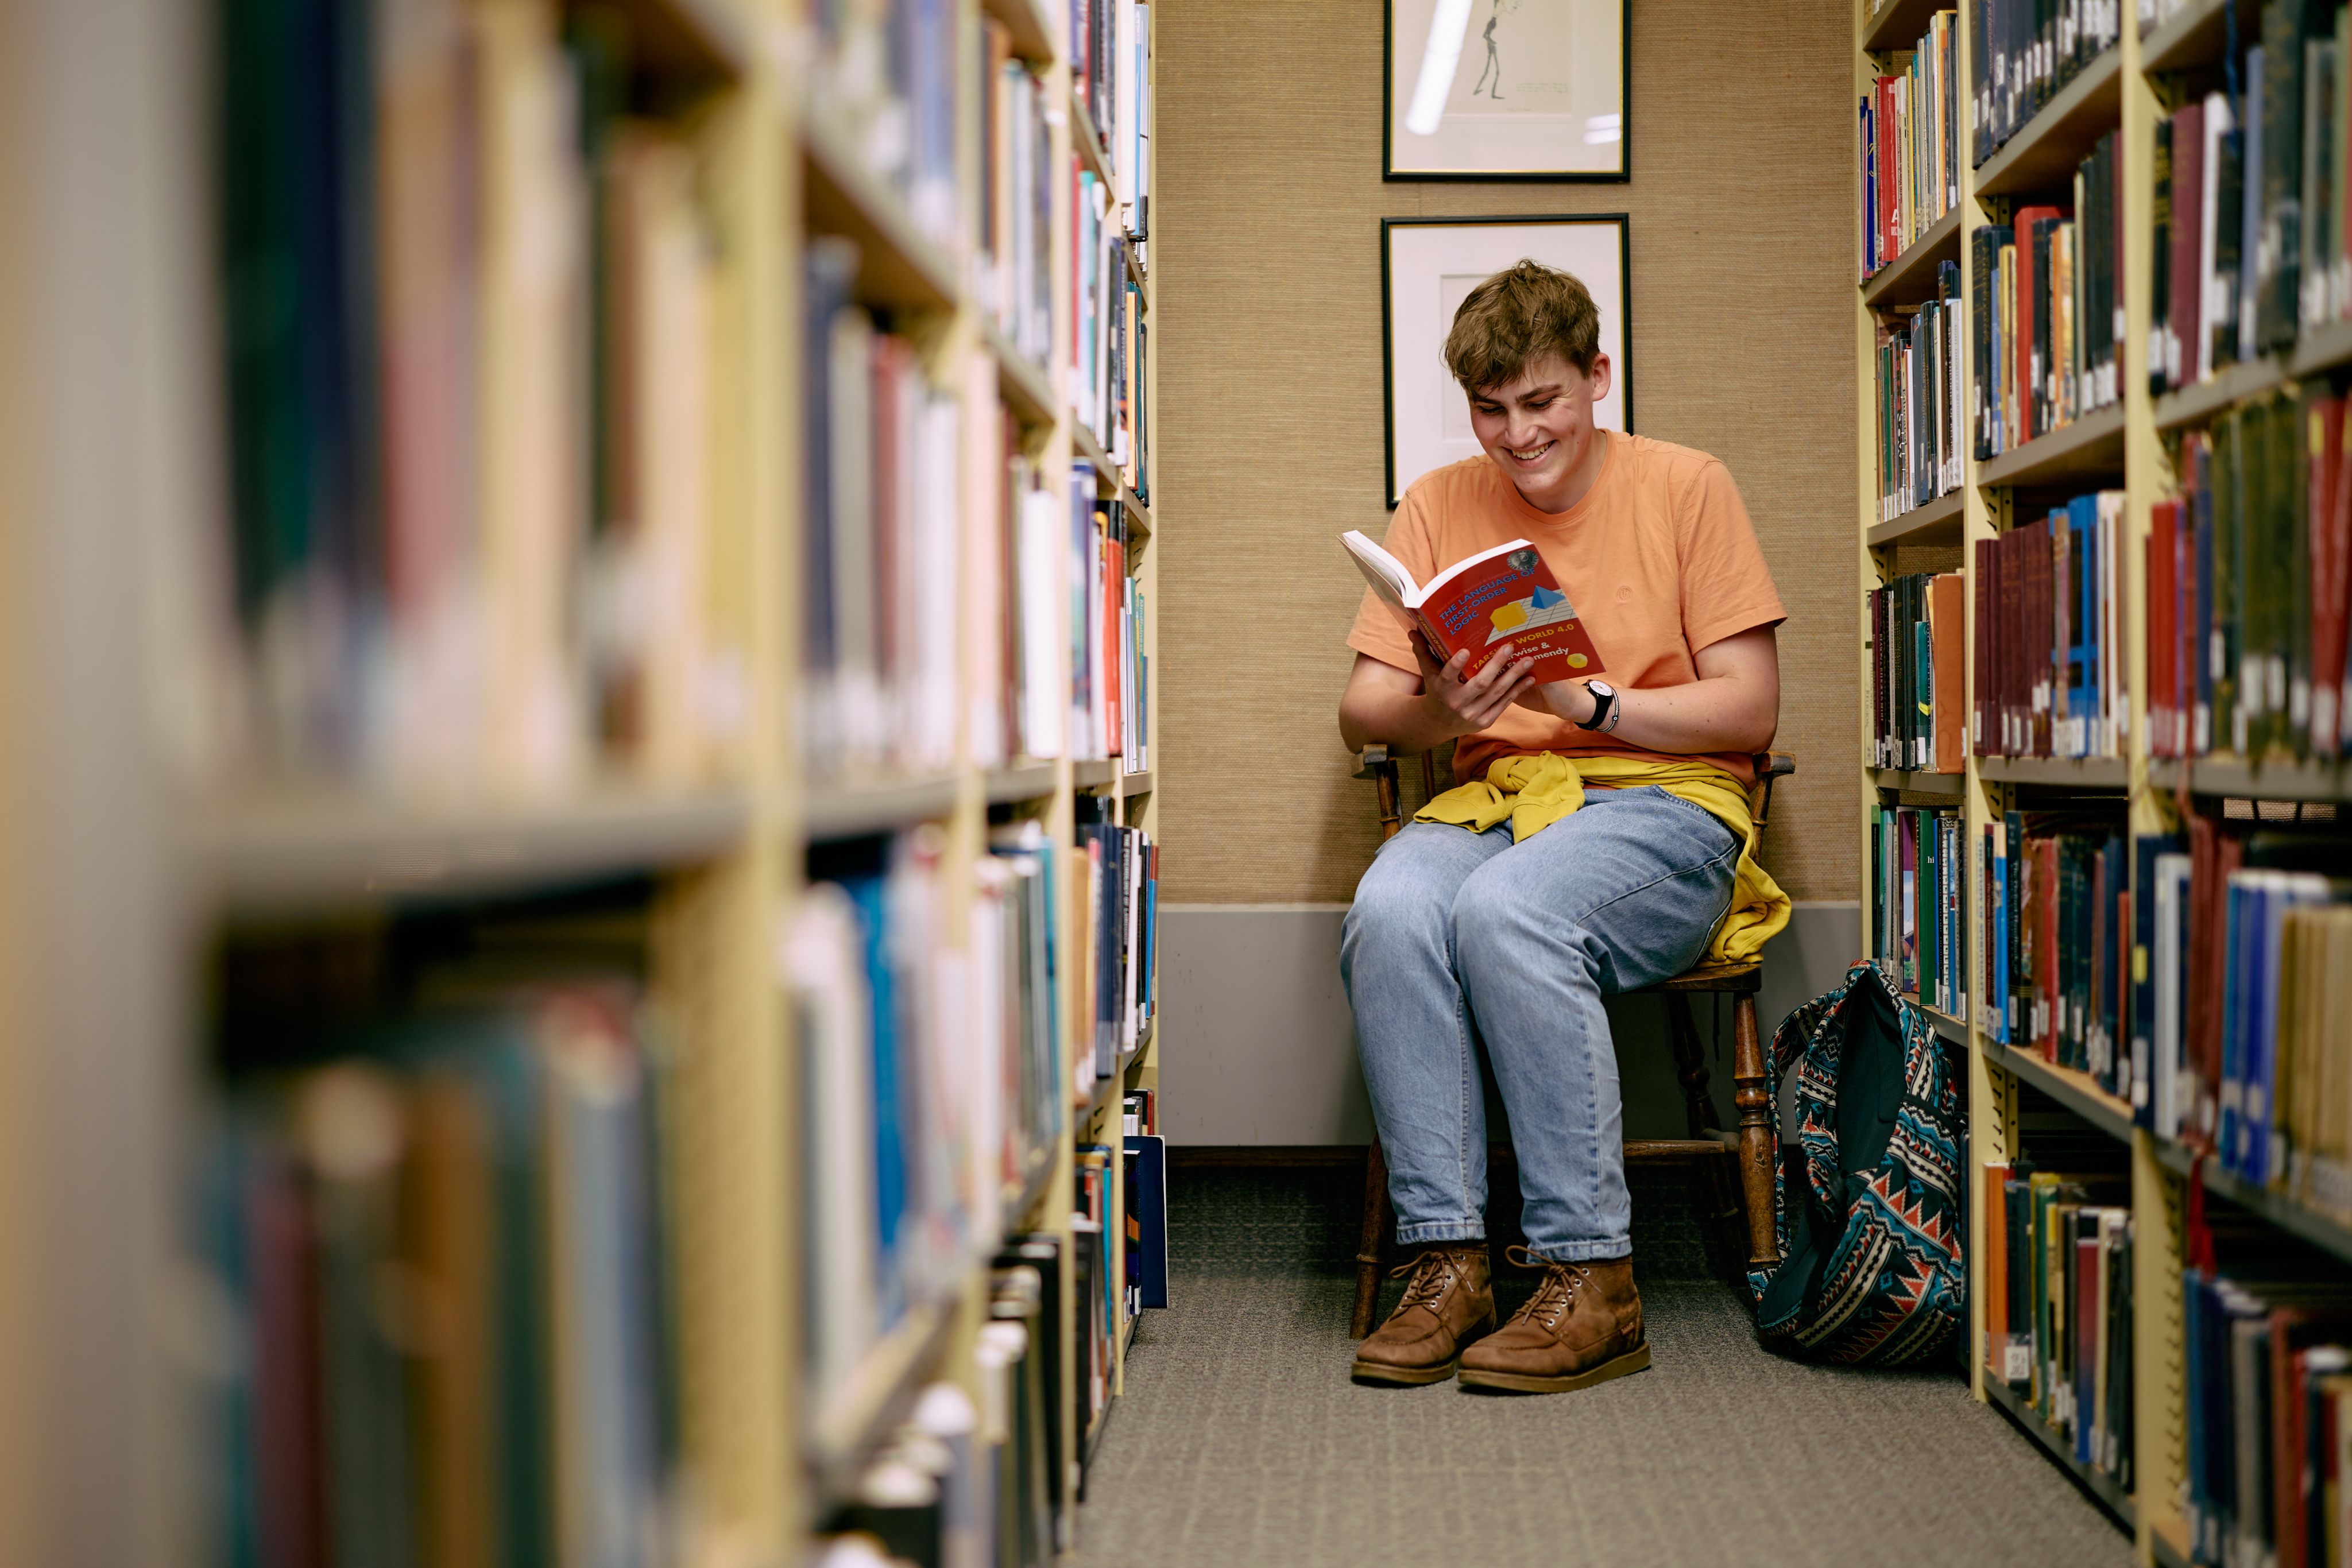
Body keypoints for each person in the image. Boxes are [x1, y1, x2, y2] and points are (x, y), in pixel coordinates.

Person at [1336, 259, 1788, 1394]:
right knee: (1389, 905)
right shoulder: (1439, 503)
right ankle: (1449, 1262)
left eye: (1538, 402)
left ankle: (1595, 1280)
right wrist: (1447, 704)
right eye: (1489, 410)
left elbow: (1750, 703)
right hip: (1500, 801)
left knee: (1505, 911)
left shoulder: (1687, 485)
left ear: (1595, 375)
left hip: (1664, 809)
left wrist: (1587, 704)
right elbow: (1359, 711)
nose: (1515, 434)